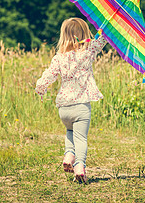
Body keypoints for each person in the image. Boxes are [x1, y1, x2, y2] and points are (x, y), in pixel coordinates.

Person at [35, 18, 107, 183]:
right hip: (81, 106)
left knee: (70, 131)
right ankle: (79, 165)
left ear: (63, 35)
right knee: (81, 138)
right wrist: (107, 25)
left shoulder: (59, 57)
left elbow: (49, 75)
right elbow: (102, 39)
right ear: (84, 34)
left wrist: (41, 86)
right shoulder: (89, 51)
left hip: (64, 108)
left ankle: (69, 155)